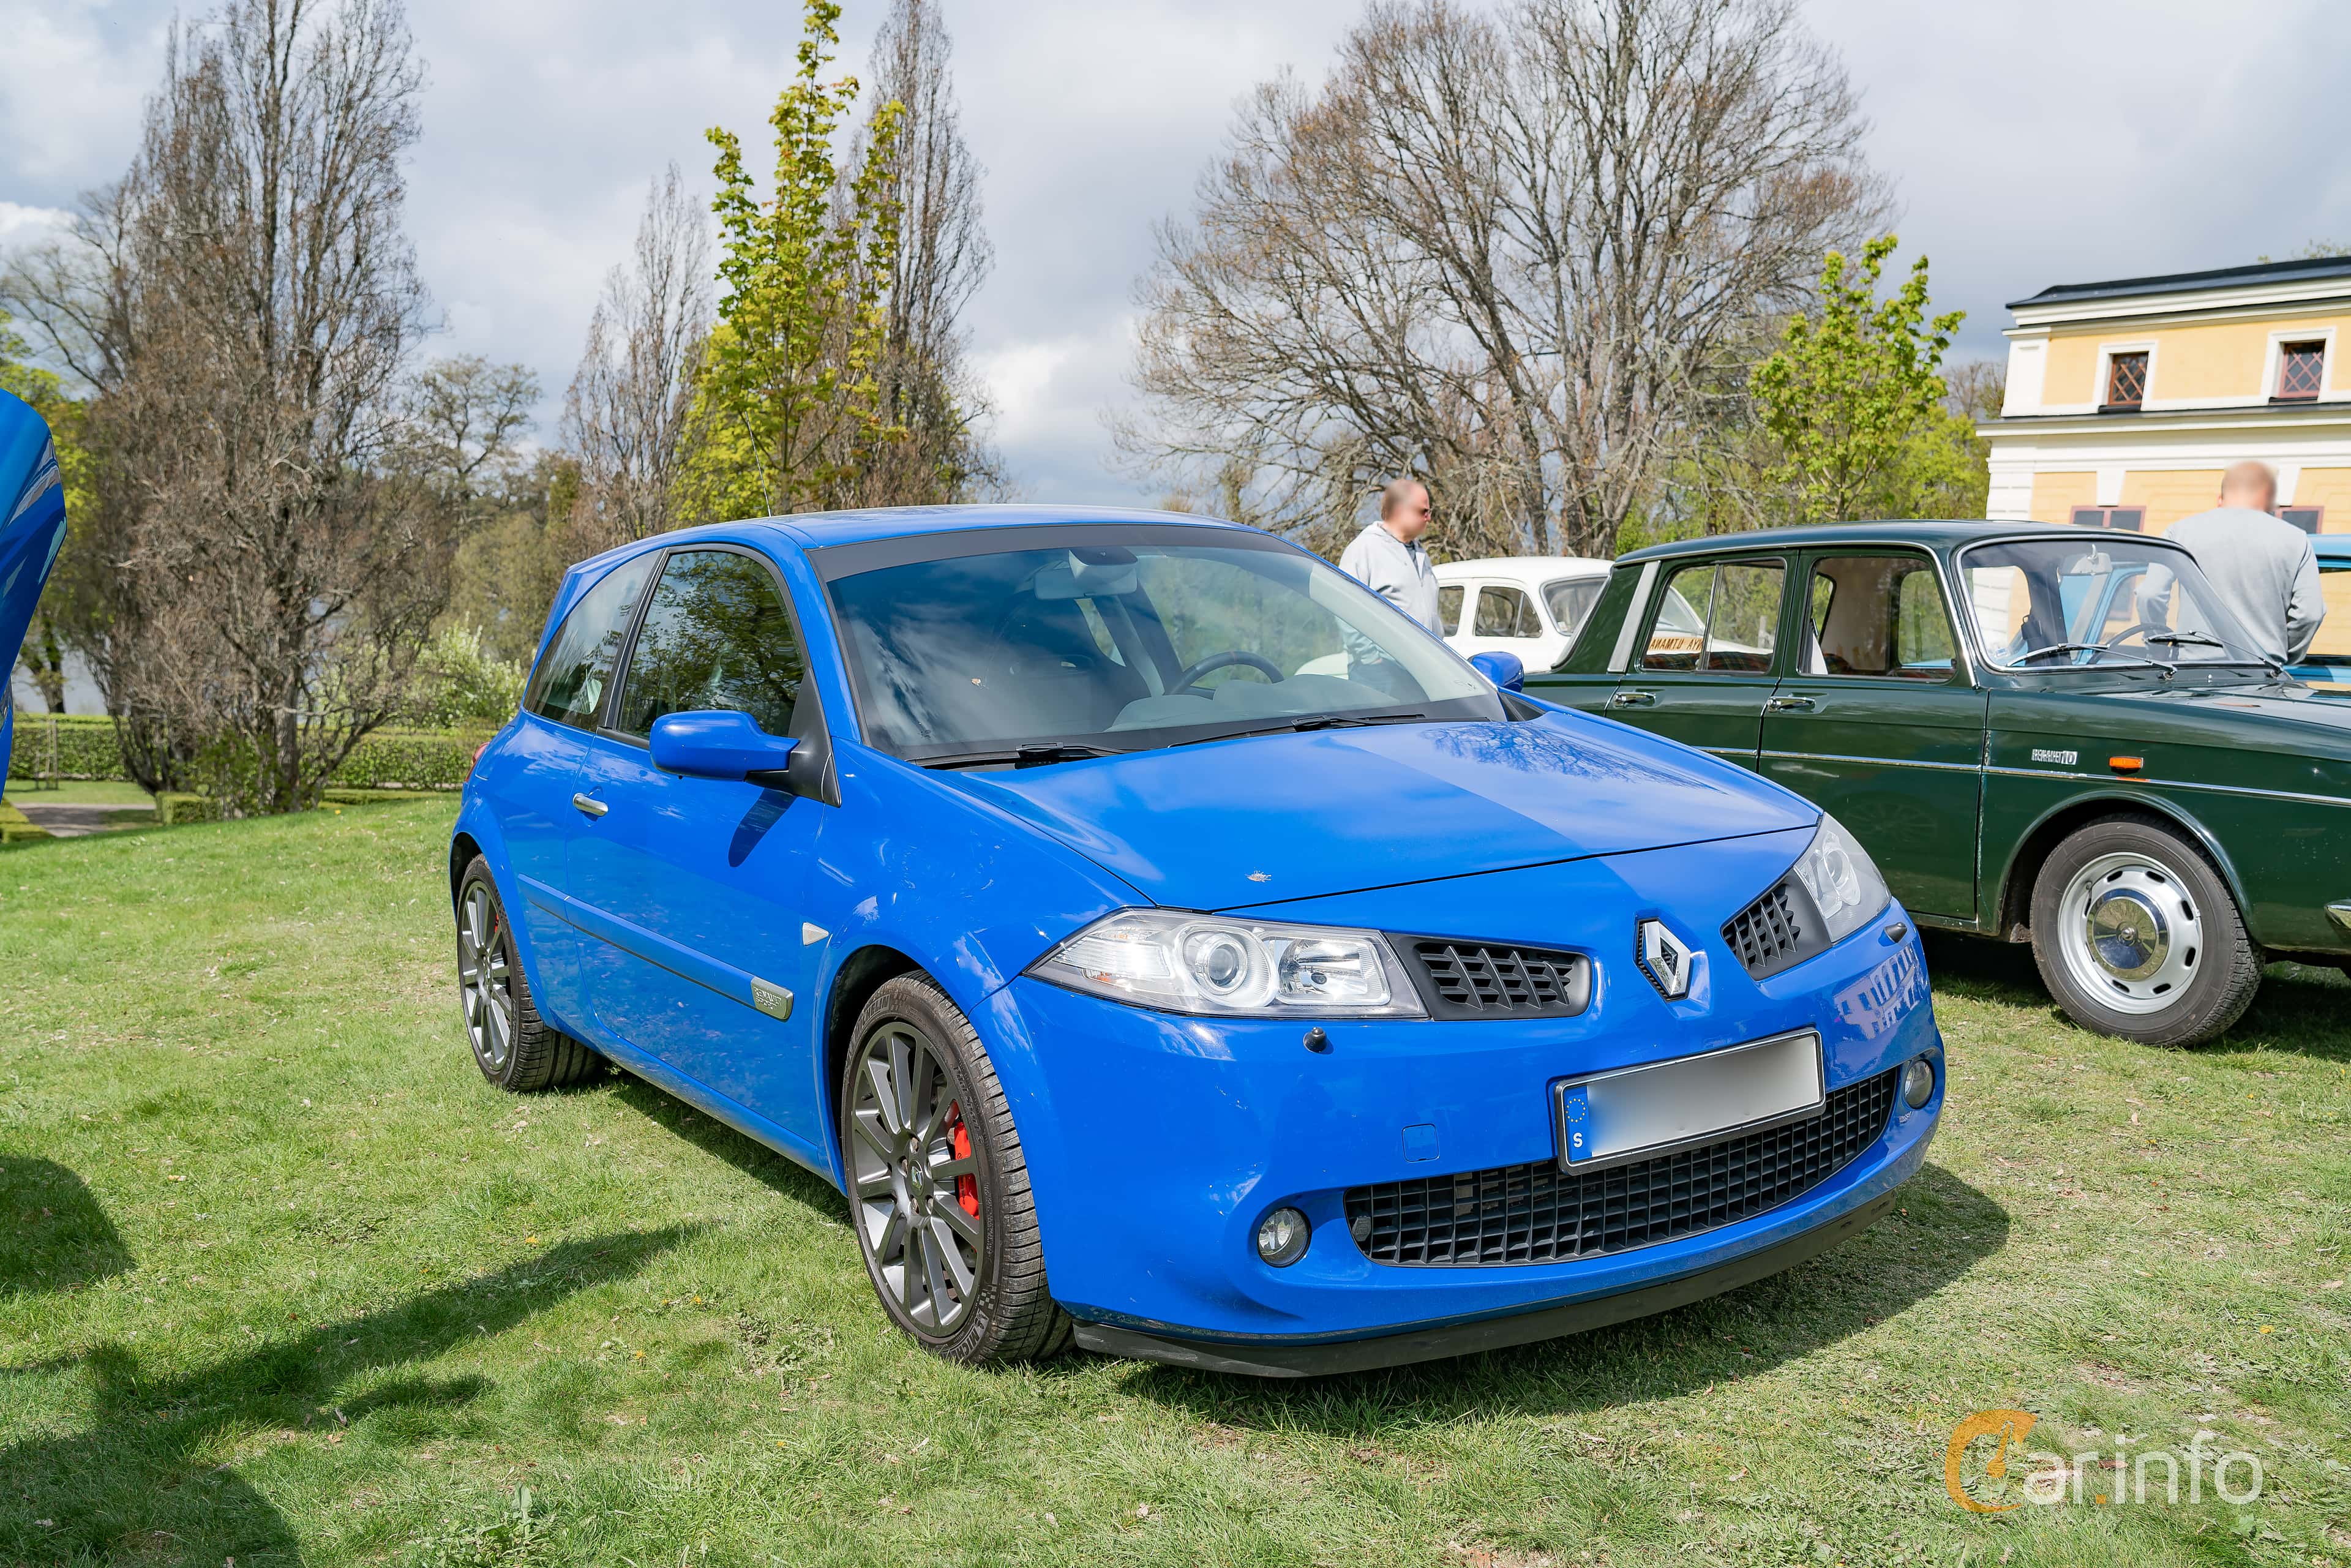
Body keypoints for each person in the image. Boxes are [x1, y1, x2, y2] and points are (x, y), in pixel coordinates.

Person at [2162, 462, 2324, 664]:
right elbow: (2310, 614)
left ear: (2220, 498)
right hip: (2262, 670)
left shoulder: (2179, 532)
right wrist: (2281, 655)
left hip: (2194, 666)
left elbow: (2150, 595)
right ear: (2267, 499)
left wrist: (2155, 645)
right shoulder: (2297, 539)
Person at [1339, 477, 1440, 629]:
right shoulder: (1364, 549)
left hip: (1424, 654)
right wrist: (1370, 655)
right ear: (1400, 510)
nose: (1429, 518)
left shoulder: (1421, 554)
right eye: (1423, 511)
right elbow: (1347, 614)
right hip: (1385, 655)